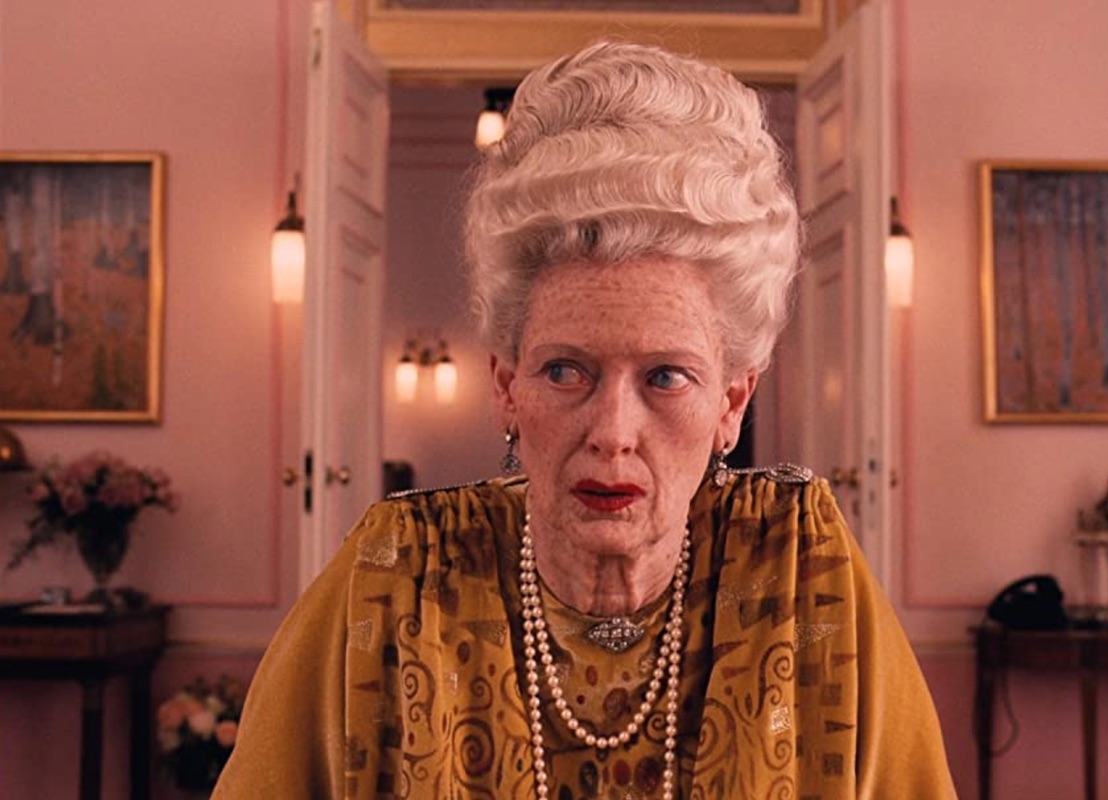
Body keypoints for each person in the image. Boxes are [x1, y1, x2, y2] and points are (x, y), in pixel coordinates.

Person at [213, 40, 957, 799]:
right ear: (506, 387)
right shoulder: (399, 573)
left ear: (732, 402)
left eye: (666, 377)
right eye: (566, 371)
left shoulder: (801, 570)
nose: (612, 432)